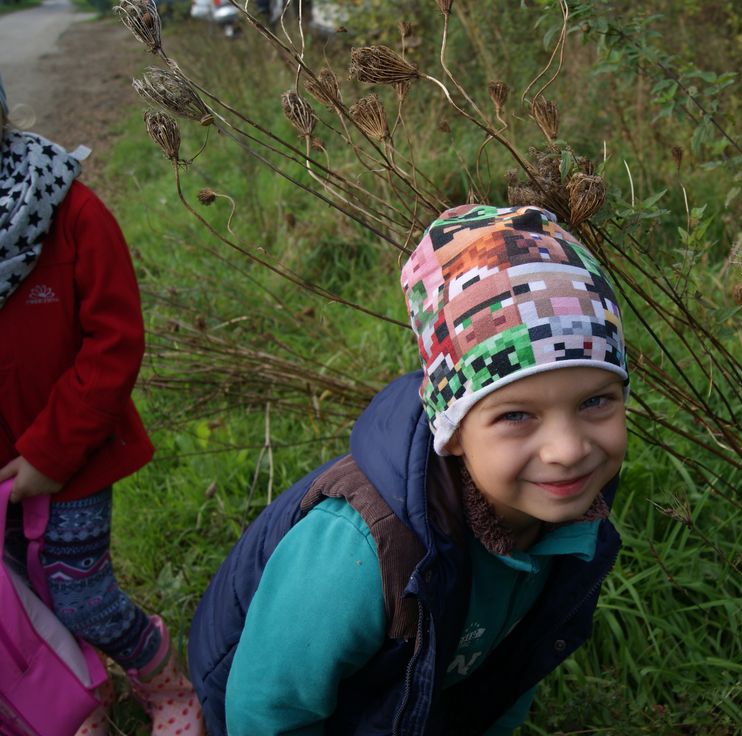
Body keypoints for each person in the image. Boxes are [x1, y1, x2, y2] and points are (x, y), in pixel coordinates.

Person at [189, 203, 630, 734]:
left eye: (595, 402)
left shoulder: (570, 511)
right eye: (516, 415)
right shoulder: (365, 551)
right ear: (454, 431)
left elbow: (513, 669)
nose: (568, 449)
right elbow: (268, 708)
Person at [0, 74, 204, 735]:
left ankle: (162, 676)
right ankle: (75, 694)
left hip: (73, 453)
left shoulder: (67, 212)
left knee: (79, 595)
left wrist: (51, 453)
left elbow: (114, 343)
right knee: (19, 600)